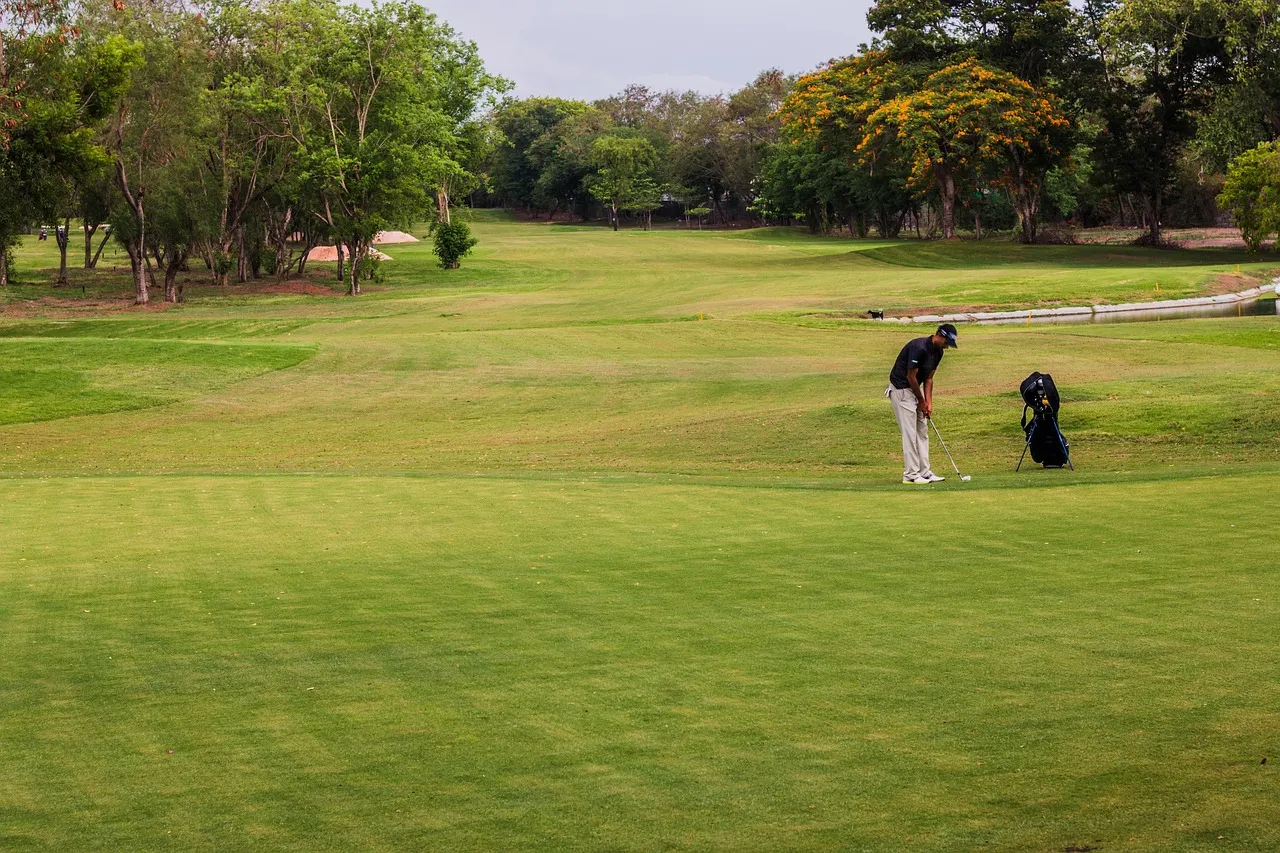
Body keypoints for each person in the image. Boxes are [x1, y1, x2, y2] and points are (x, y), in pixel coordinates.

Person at [886, 324, 958, 484]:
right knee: (910, 434)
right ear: (938, 334)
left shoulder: (938, 352)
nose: (947, 346)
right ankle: (911, 475)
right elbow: (911, 377)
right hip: (901, 389)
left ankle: (924, 472)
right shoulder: (919, 347)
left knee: (922, 431)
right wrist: (921, 401)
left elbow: (929, 378)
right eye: (946, 342)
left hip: (914, 390)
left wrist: (928, 403)